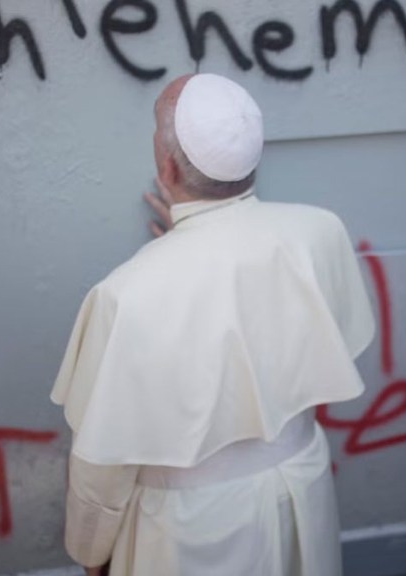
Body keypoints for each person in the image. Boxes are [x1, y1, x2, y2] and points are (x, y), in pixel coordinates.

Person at [49, 73, 375, 576]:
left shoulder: (124, 295)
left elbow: (102, 465)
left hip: (192, 530)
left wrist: (92, 553)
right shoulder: (322, 231)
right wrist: (186, 238)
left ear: (166, 166)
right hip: (302, 493)